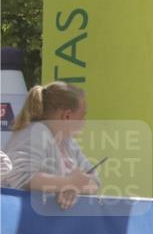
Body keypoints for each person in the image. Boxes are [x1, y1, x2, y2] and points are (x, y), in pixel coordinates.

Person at [5, 81, 100, 210]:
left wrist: (73, 188)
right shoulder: (37, 131)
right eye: (82, 115)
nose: (85, 121)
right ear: (66, 116)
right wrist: (68, 183)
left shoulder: (69, 143)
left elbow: (95, 182)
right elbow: (20, 176)